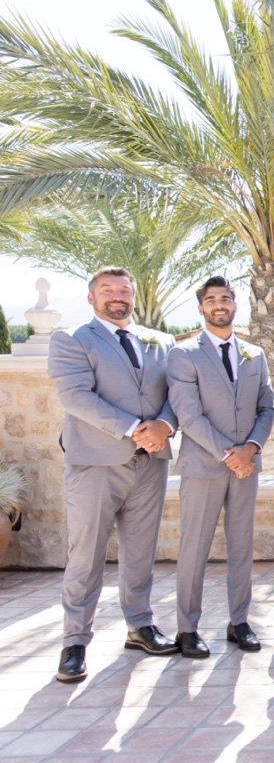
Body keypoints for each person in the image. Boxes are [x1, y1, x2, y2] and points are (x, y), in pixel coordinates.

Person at [48, 267, 179, 682]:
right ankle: (74, 642)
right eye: (107, 290)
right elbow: (75, 396)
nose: (117, 296)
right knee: (85, 555)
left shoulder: (162, 342)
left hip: (151, 462)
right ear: (91, 299)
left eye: (125, 289)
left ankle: (139, 626)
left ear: (134, 296)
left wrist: (165, 425)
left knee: (141, 551)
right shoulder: (72, 340)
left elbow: (179, 394)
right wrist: (133, 428)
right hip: (95, 464)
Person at [167, 276, 274, 658]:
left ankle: (239, 621)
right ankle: (187, 628)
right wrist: (227, 454)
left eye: (226, 298)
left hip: (246, 466)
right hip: (203, 465)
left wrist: (250, 449)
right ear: (201, 308)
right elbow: (188, 414)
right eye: (212, 299)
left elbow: (267, 407)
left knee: (242, 545)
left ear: (235, 305)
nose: (219, 305)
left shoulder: (254, 354)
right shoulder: (184, 354)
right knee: (193, 547)